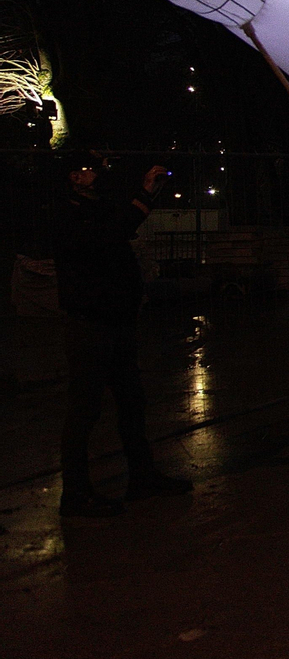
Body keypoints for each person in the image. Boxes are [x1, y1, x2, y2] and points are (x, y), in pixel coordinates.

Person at [52, 152, 193, 517]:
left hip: (114, 317)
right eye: (89, 170)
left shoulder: (95, 206)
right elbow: (109, 235)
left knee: (132, 400)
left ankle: (142, 477)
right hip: (90, 320)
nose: (97, 175)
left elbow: (120, 227)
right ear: (73, 177)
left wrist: (144, 197)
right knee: (85, 408)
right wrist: (143, 196)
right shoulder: (66, 211)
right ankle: (76, 493)